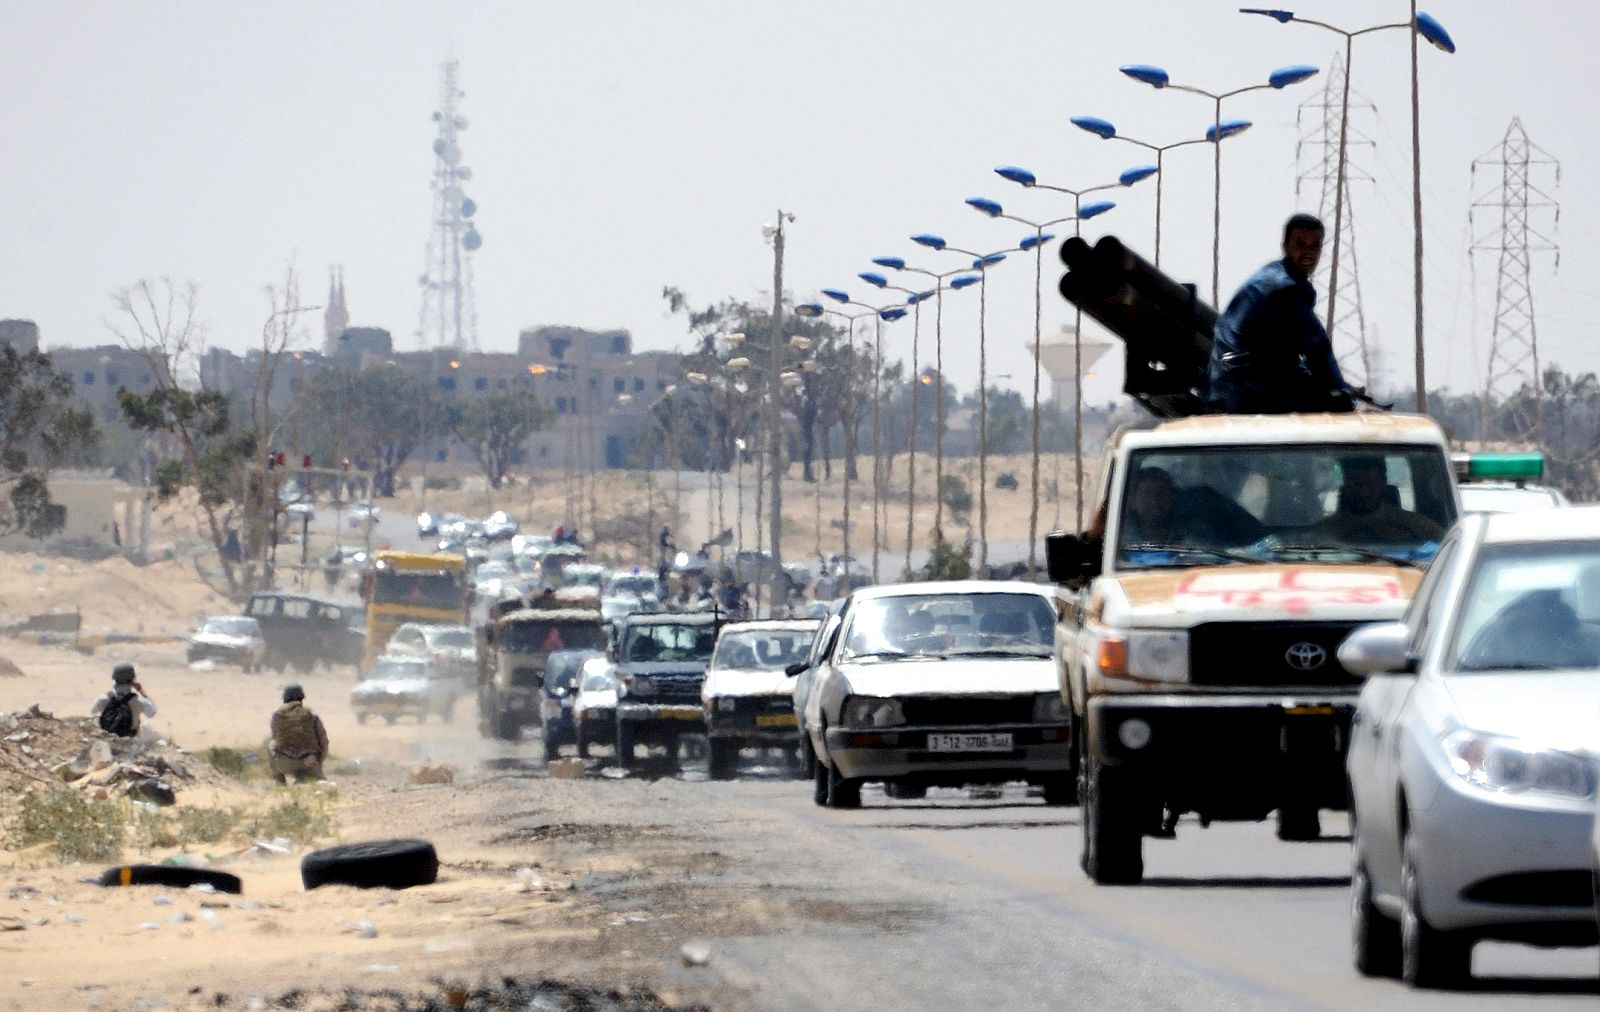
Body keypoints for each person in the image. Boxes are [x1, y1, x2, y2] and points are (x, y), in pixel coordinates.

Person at [1206, 214, 1354, 414]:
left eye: (1315, 246)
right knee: (1336, 403)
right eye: (1300, 244)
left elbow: (1282, 355)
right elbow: (1317, 349)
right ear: (1285, 246)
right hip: (1246, 393)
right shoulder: (1284, 289)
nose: (1308, 252)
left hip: (1226, 387)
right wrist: (1342, 393)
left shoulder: (1273, 276)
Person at [1311, 458, 1444, 544]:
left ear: (1383, 484)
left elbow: (1444, 546)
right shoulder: (1324, 532)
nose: (1363, 492)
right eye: (1356, 483)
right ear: (1345, 485)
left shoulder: (1417, 526)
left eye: (1370, 484)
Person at [1121, 467, 1213, 547]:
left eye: (1161, 494)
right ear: (1132, 500)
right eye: (1146, 495)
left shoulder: (1193, 532)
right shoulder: (1120, 536)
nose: (1154, 501)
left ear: (1173, 498)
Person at [269, 684, 329, 784]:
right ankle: (304, 777)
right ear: (301, 697)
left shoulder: (278, 715)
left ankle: (279, 781)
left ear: (285, 698)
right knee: (319, 784)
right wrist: (318, 762)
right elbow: (324, 743)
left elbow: (275, 737)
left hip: (284, 764)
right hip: (309, 762)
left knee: (270, 744)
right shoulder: (311, 715)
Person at [91, 663, 156, 738]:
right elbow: (152, 713)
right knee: (147, 727)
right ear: (132, 680)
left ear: (114, 678)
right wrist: (141, 691)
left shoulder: (103, 698)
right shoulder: (138, 700)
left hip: (107, 738)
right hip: (130, 741)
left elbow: (93, 712)